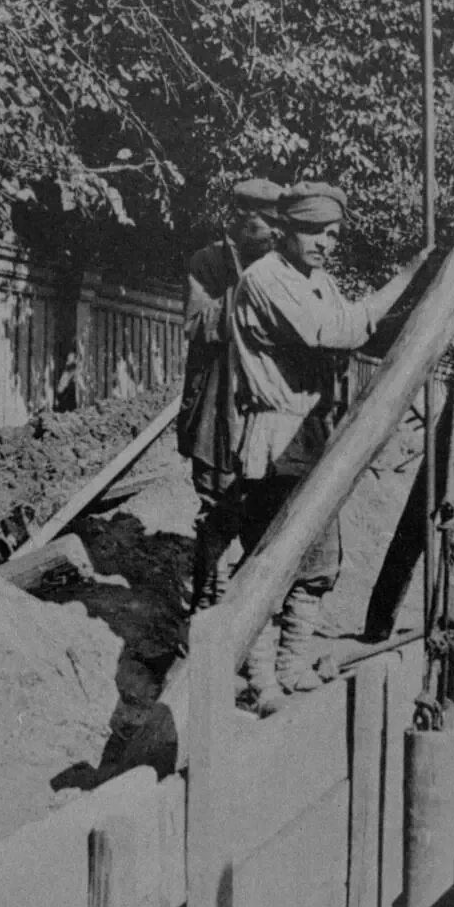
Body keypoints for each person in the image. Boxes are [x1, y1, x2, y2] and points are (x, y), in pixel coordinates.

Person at [230, 181, 428, 709]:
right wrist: (405, 277)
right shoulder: (265, 279)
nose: (324, 243)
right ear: (285, 231)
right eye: (313, 232)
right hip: (275, 439)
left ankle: (292, 666)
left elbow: (364, 330)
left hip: (313, 438)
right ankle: (260, 679)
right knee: (269, 562)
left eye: (333, 234)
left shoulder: (317, 280)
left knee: (319, 563)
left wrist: (418, 298)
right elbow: (333, 332)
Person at [177, 177, 284, 610]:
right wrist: (241, 290)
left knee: (261, 509)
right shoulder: (206, 263)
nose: (277, 233)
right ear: (242, 220)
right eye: (268, 223)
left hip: (264, 406)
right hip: (215, 406)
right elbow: (196, 325)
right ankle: (207, 603)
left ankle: (248, 611)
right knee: (214, 505)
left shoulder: (282, 267)